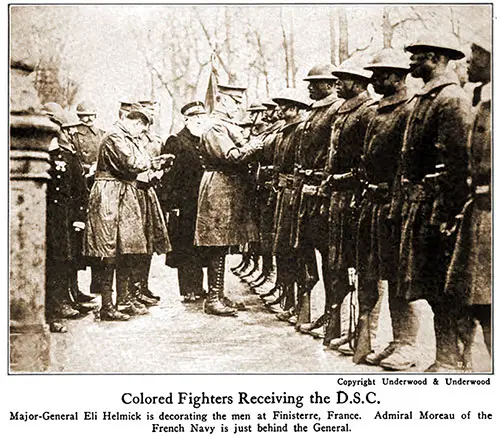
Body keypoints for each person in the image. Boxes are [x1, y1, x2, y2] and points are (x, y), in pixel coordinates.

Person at [398, 34, 470, 372]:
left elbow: (458, 165)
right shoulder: (428, 97)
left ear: (436, 58)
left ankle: (452, 358)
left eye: (416, 58)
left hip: (440, 207)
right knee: (429, 283)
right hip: (423, 203)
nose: (411, 63)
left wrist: (448, 213)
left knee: (444, 285)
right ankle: (446, 356)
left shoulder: (451, 99)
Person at [353, 49, 418, 368]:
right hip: (374, 202)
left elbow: (408, 160)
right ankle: (394, 341)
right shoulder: (381, 108)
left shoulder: (409, 107)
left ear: (397, 76)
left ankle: (407, 343)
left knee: (399, 276)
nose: (375, 79)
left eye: (380, 74)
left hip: (396, 203)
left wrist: (397, 200)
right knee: (378, 272)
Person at [84, 105, 170, 321]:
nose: (142, 134)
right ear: (136, 123)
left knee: (127, 248)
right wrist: (153, 162)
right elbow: (131, 163)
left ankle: (123, 300)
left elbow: (136, 163)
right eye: (141, 129)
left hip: (124, 191)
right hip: (110, 193)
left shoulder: (126, 136)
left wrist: (151, 163)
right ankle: (107, 305)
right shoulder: (115, 136)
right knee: (109, 249)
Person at [320, 58, 377, 354]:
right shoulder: (344, 110)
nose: (337, 83)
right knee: (338, 263)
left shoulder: (367, 111)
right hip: (338, 197)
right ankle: (347, 330)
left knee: (363, 266)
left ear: (358, 82)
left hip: (355, 195)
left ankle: (365, 334)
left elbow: (369, 160)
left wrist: (345, 179)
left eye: (343, 79)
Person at [193, 83, 262, 317]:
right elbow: (232, 156)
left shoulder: (224, 125)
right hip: (218, 186)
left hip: (227, 186)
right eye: (234, 103)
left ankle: (218, 294)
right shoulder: (215, 127)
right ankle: (212, 298)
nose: (237, 108)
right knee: (217, 242)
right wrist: (255, 145)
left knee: (222, 242)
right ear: (222, 101)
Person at [283, 64, 343, 330]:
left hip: (323, 192)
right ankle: (319, 312)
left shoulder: (335, 110)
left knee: (330, 257)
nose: (309, 87)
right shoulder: (314, 112)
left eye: (314, 83)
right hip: (307, 191)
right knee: (308, 251)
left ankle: (333, 316)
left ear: (329, 85)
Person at [444, 39, 491, 370]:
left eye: (477, 59)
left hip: (490, 212)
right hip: (476, 209)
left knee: (486, 298)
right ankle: (466, 362)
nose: (469, 65)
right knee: (467, 296)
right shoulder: (480, 101)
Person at [43, 102, 89, 332]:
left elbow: (79, 190)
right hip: (46, 218)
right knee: (51, 263)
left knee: (62, 260)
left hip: (64, 218)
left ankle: (60, 305)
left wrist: (79, 216)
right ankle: (52, 310)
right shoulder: (44, 153)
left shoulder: (66, 155)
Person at [268, 89, 310, 321]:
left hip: (295, 195)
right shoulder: (285, 132)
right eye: (282, 106)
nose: (281, 110)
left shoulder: (301, 130)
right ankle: (289, 299)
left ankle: (300, 305)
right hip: (283, 194)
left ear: (297, 108)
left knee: (296, 250)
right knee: (282, 249)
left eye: (286, 106)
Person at [159, 101, 207, 303]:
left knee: (199, 245)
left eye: (201, 117)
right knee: (185, 245)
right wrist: (172, 204)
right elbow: (168, 177)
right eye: (195, 117)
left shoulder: (203, 140)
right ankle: (188, 289)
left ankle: (198, 286)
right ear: (186, 119)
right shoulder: (175, 141)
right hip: (183, 203)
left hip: (201, 201)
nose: (199, 121)